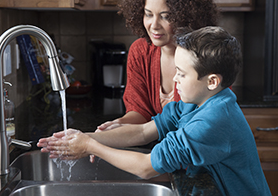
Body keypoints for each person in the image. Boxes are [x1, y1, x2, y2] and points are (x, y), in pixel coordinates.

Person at [37, 26, 271, 196]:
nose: (174, 79)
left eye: (182, 73)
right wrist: (86, 137)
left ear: (211, 81)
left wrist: (91, 147)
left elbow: (147, 167)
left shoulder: (213, 121)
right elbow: (144, 132)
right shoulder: (196, 102)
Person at [97, 0, 220, 131]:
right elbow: (140, 111)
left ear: (186, 17)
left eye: (165, 17)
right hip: (163, 149)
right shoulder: (140, 52)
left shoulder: (207, 56)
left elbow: (203, 123)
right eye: (148, 14)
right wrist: (120, 124)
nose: (154, 25)